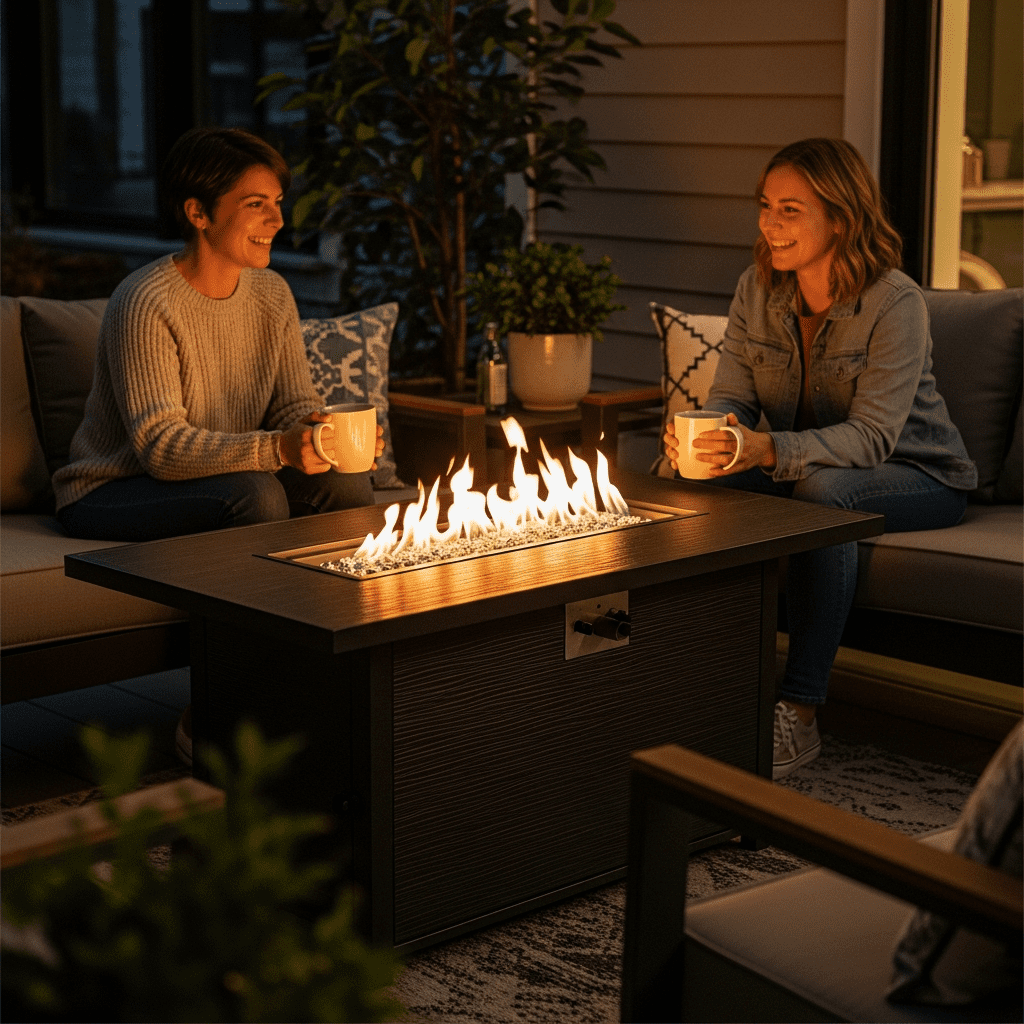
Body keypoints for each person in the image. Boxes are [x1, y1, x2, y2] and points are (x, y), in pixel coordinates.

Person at [54, 126, 385, 764]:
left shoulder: (272, 294)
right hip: (111, 488)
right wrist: (278, 451)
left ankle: (334, 687)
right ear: (199, 213)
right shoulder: (146, 302)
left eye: (279, 202)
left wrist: (316, 431)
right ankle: (218, 711)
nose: (277, 220)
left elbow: (289, 405)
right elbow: (159, 446)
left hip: (215, 475)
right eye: (256, 204)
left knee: (345, 485)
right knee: (255, 497)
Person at [663, 138, 976, 779]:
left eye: (790, 210)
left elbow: (870, 439)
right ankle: (692, 694)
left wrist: (768, 449)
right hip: (807, 466)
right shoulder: (759, 289)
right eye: (765, 206)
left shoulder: (895, 303)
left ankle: (800, 714)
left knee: (823, 499)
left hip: (917, 474)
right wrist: (710, 437)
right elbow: (733, 396)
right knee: (689, 480)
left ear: (840, 217)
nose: (768, 225)